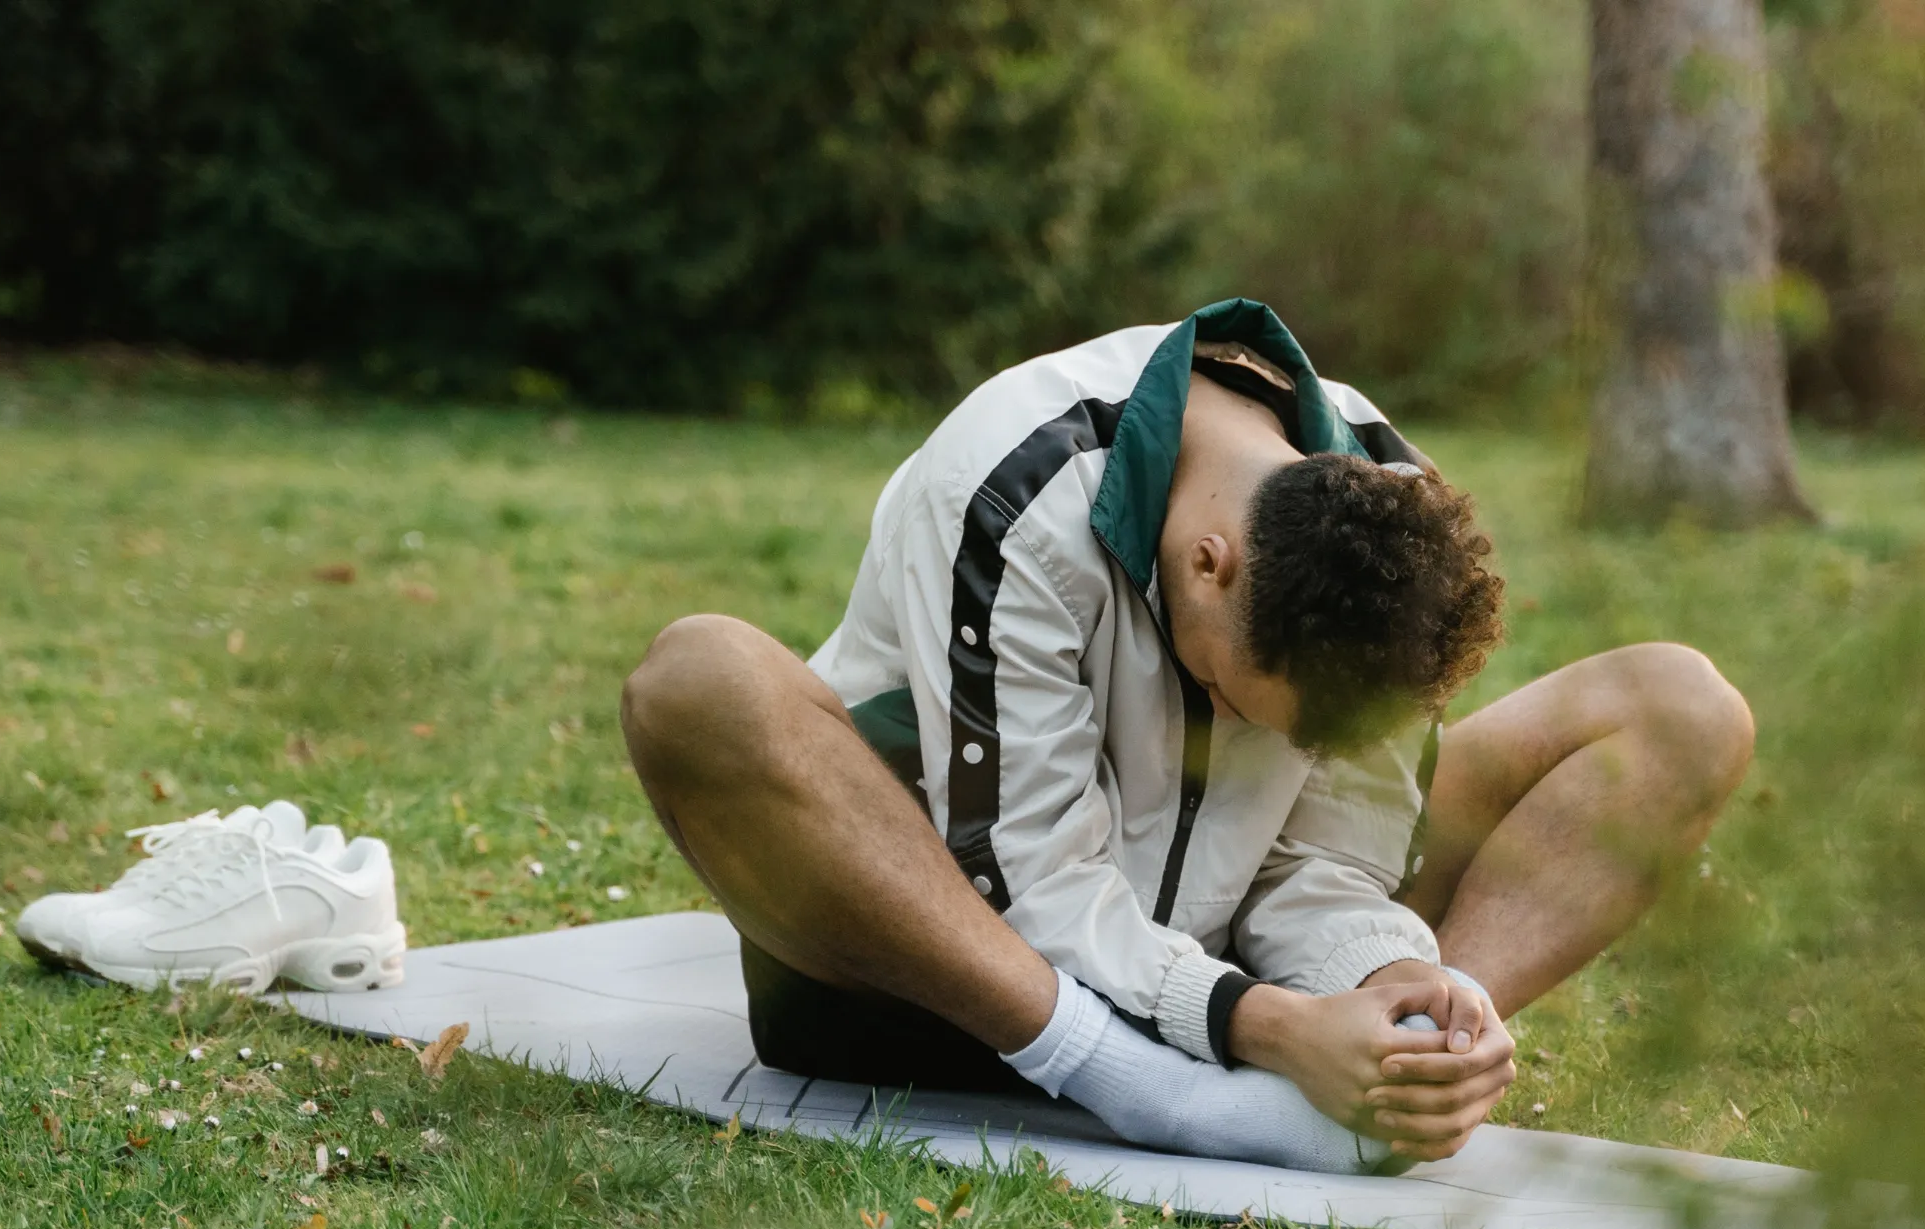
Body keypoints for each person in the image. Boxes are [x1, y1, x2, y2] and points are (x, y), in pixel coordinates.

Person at [621, 300, 1754, 1171]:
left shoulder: (1385, 518)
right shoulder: (1016, 481)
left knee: (1682, 708)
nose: (1260, 741)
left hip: (1227, 957)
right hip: (932, 974)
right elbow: (1038, 884)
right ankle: (1167, 1095)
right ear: (1210, 565)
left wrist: (1394, 983)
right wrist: (1258, 1031)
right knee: (699, 675)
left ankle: (1405, 1076)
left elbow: (1325, 863)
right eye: (1242, 699)